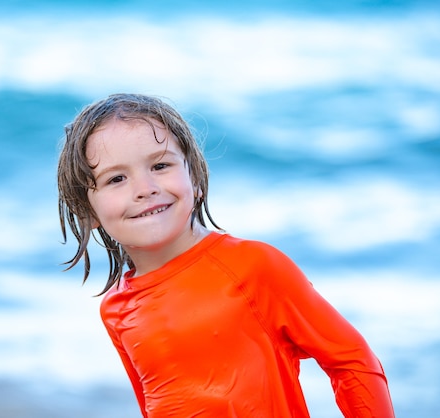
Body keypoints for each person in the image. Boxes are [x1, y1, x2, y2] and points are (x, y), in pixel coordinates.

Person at [56, 93, 395, 417]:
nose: (145, 188)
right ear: (88, 212)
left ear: (195, 177)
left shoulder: (254, 267)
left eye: (160, 166)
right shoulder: (117, 310)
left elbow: (353, 361)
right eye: (116, 178)